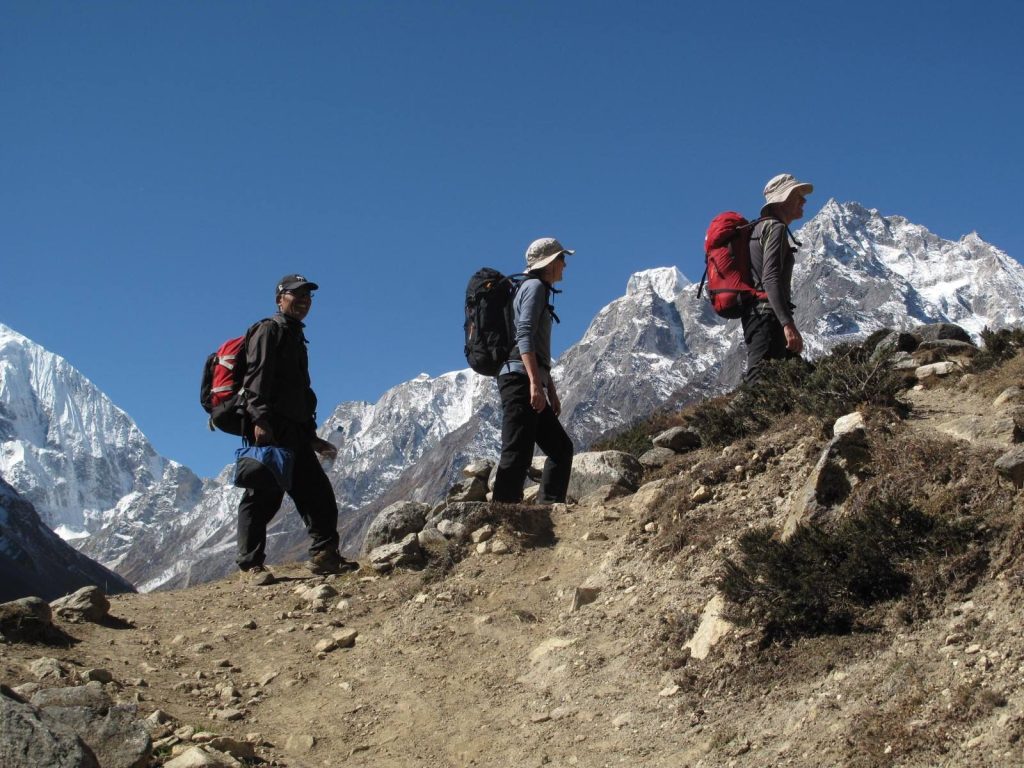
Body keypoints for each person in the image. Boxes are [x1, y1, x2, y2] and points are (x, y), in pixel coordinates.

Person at [235, 274, 358, 585]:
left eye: (308, 296)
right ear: (280, 298)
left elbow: (298, 393)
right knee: (262, 497)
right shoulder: (269, 330)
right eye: (296, 295)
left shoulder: (295, 336)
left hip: (295, 433)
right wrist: (260, 421)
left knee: (317, 494)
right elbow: (256, 380)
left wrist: (312, 437)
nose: (303, 300)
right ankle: (251, 566)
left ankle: (324, 556)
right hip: (271, 430)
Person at [492, 238, 575, 504]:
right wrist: (534, 384)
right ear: (549, 263)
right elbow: (524, 334)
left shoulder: (533, 288)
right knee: (517, 452)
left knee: (561, 449)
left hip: (527, 377)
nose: (565, 264)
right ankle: (501, 520)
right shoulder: (536, 288)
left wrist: (549, 387)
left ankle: (547, 511)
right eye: (562, 258)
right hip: (519, 379)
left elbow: (537, 347)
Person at [743, 173, 813, 382]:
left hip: (757, 315)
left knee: (793, 379)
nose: (803, 201)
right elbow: (770, 277)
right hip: (767, 316)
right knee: (760, 381)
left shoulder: (758, 228)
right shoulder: (775, 228)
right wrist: (787, 324)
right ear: (783, 200)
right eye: (797, 195)